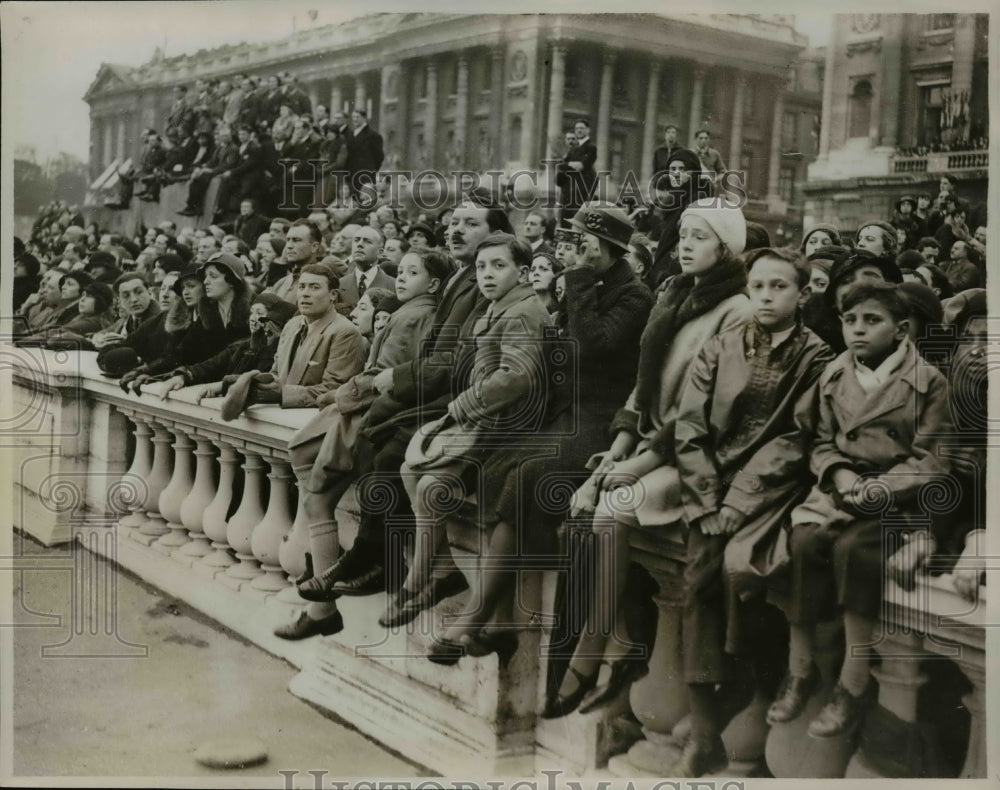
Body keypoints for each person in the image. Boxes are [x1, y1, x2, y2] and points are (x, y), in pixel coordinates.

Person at [546, 199, 752, 725]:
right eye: (682, 234)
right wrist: (617, 448)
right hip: (653, 445)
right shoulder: (675, 294)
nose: (684, 244)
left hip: (699, 458)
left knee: (613, 508)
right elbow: (645, 386)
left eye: (700, 237)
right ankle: (612, 654)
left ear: (725, 249)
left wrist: (627, 468)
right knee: (591, 510)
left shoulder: (737, 312)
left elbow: (701, 413)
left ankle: (590, 655)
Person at [668, 247, 835, 777]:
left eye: (778, 286)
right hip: (709, 486)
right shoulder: (722, 345)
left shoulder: (816, 357)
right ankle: (702, 728)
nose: (765, 296)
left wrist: (738, 499)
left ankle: (740, 688)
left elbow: (796, 437)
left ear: (801, 293)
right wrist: (707, 496)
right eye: (758, 286)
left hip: (773, 489)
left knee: (738, 573)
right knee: (694, 581)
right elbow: (690, 425)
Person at [301, 195, 512, 605]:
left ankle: (376, 558)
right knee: (374, 435)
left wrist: (393, 378)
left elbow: (456, 360)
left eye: (470, 224)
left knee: (389, 449)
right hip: (443, 387)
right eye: (453, 222)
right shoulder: (464, 277)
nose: (454, 230)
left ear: (497, 235)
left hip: (465, 397)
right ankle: (375, 557)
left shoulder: (484, 280)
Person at [776, 282, 953, 739]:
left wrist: (881, 489)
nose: (858, 330)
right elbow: (818, 440)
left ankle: (852, 685)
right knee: (804, 542)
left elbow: (933, 457)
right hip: (841, 489)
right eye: (850, 320)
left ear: (901, 330)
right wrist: (838, 475)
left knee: (856, 550)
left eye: (872, 321)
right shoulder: (834, 374)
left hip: (898, 500)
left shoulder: (928, 381)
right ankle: (799, 669)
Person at [393, 233, 553, 651]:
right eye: (481, 267)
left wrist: (460, 408)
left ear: (523, 272)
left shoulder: (523, 312)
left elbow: (516, 378)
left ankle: (427, 578)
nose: (486, 275)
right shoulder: (498, 309)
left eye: (498, 266)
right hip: (485, 421)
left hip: (509, 428)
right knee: (411, 469)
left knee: (429, 483)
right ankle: (437, 569)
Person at [282, 250, 449, 639]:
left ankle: (325, 598)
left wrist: (342, 396)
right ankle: (324, 587)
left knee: (317, 495)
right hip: (369, 415)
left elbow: (378, 379)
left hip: (363, 419)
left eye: (412, 273)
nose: (401, 278)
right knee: (317, 494)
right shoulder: (417, 312)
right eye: (401, 271)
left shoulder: (411, 316)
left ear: (435, 284)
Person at [217, 263, 367, 420]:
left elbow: (334, 390)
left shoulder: (345, 332)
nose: (305, 294)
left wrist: (277, 394)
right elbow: (276, 373)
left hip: (311, 421)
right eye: (302, 287)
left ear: (333, 295)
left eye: (314, 287)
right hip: (280, 417)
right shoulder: (292, 325)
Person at [157, 293, 298, 399]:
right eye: (251, 312)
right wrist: (183, 377)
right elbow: (210, 365)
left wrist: (222, 386)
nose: (253, 318)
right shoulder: (242, 346)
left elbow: (261, 380)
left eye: (260, 313)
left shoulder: (278, 350)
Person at [338, 226, 396, 309]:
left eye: (368, 241)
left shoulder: (393, 285)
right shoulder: (340, 284)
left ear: (380, 252)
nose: (360, 244)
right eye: (356, 240)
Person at [558, 119, 597, 222]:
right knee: (566, 216)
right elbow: (561, 166)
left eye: (582, 128)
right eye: (577, 128)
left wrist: (568, 164)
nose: (579, 130)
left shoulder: (591, 147)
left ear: (588, 130)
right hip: (570, 188)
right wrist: (571, 164)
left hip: (581, 187)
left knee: (577, 217)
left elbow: (581, 166)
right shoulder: (573, 148)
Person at [345, 109, 385, 200]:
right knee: (353, 199)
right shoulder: (350, 134)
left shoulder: (373, 135)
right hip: (351, 173)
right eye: (353, 117)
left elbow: (379, 156)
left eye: (357, 117)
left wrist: (371, 169)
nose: (355, 119)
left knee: (364, 199)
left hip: (365, 173)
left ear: (364, 118)